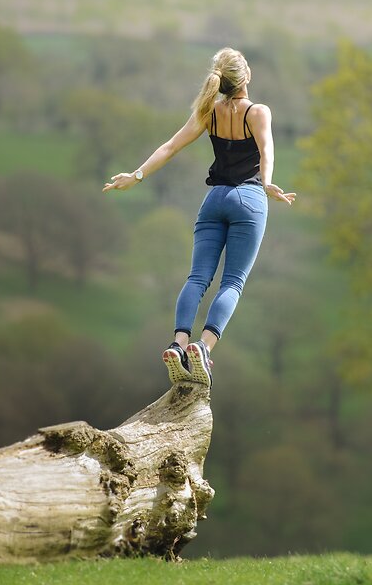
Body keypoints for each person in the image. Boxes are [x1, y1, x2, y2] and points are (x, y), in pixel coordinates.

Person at [103, 47, 296, 388]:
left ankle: (177, 344)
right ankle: (203, 348)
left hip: (213, 201)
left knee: (197, 278)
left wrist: (136, 176)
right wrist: (266, 183)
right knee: (232, 282)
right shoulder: (258, 112)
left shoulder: (209, 112)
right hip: (248, 200)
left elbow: (170, 147)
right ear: (246, 77)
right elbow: (266, 149)